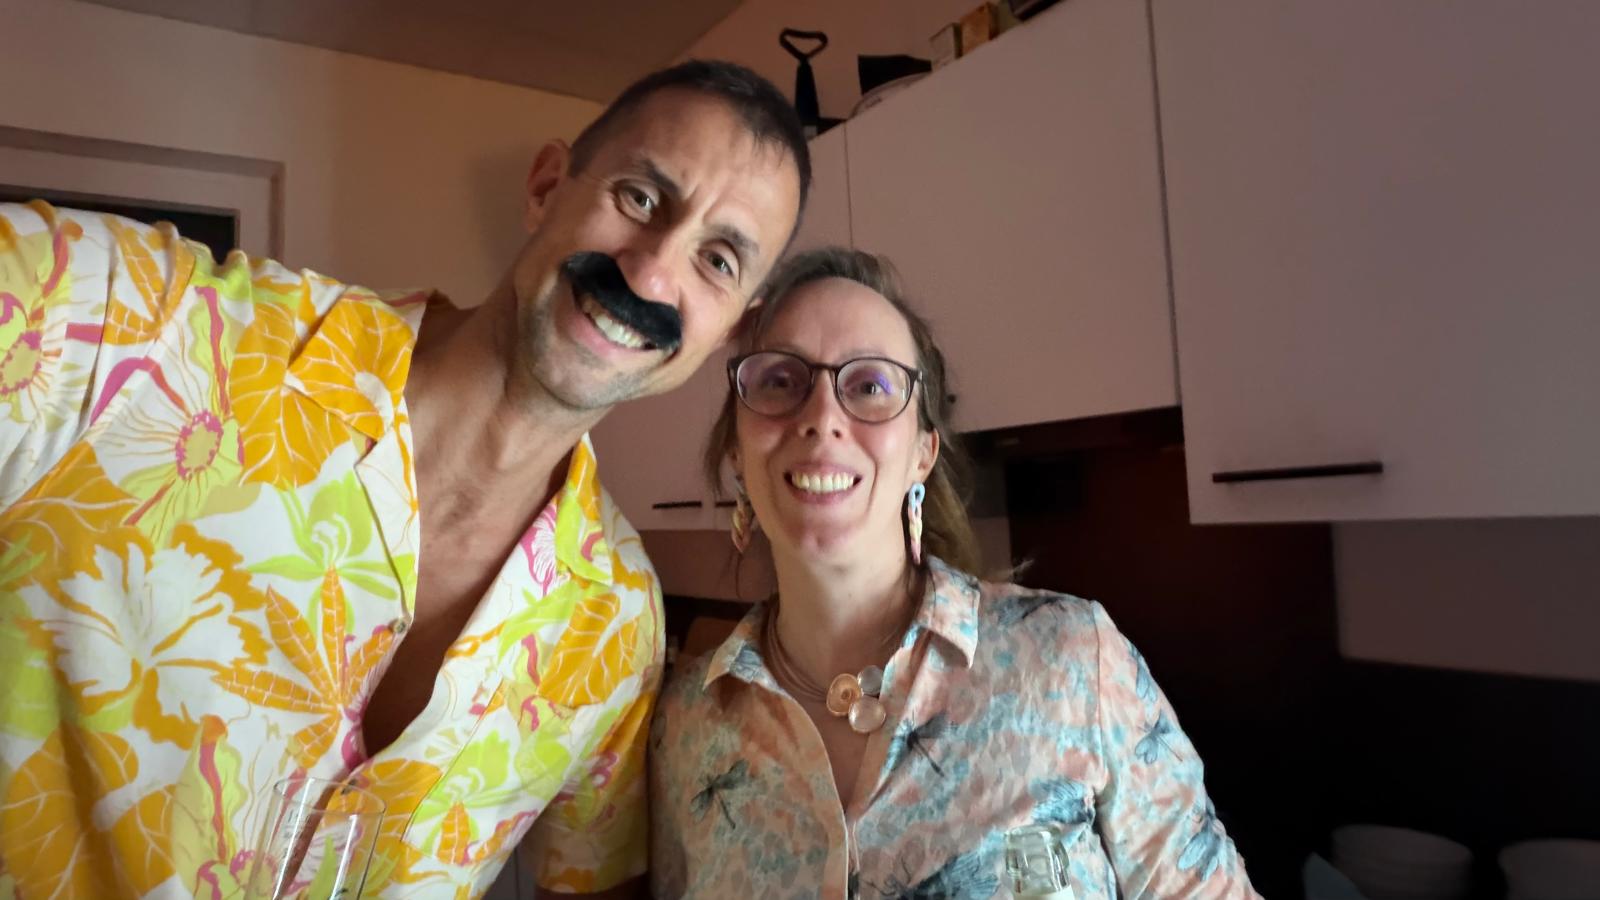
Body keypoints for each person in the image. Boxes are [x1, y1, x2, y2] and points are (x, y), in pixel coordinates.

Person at [0, 61, 808, 898]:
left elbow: (590, 886)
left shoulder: (619, 623)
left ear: (729, 329)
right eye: (639, 198)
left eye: (718, 261)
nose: (651, 274)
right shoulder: (133, 323)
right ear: (546, 188)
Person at [649, 248, 1261, 899]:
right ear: (737, 452)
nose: (821, 417)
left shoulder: (1073, 658)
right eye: (779, 380)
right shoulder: (685, 727)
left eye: (870, 386)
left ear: (922, 453)